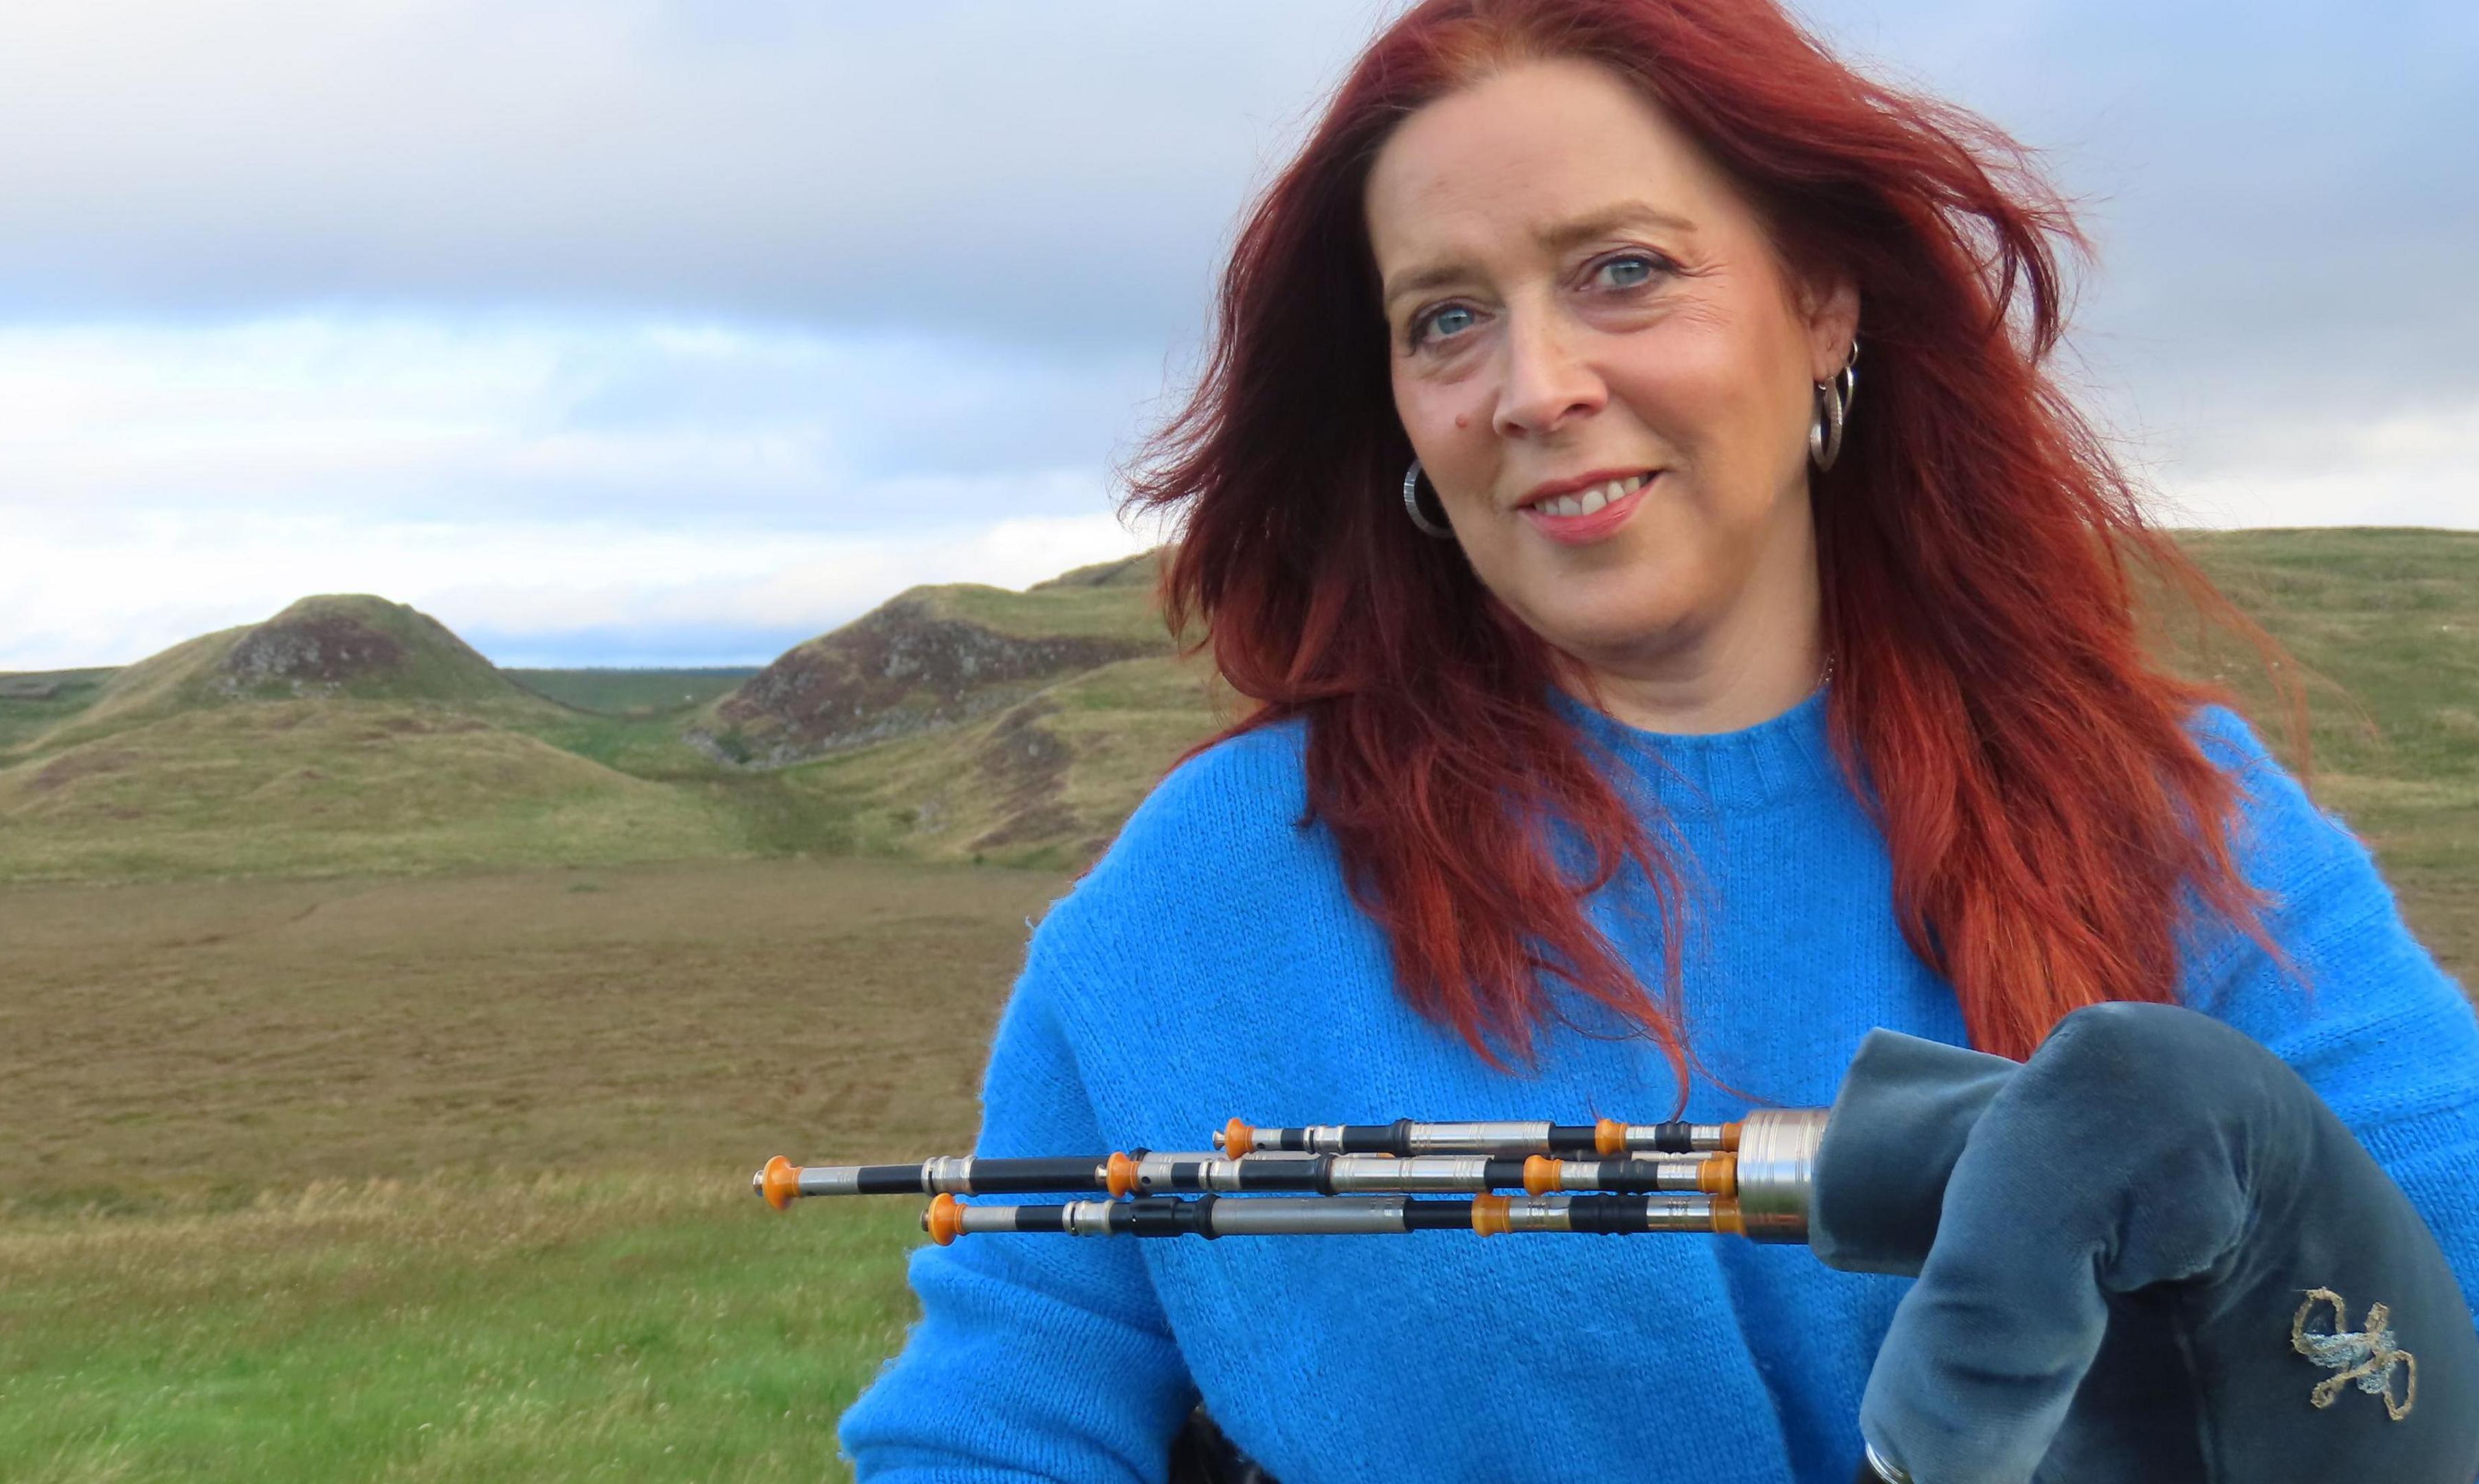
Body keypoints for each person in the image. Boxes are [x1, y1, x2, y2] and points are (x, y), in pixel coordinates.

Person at [838, 1, 2479, 1479]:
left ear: (1824, 302)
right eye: (1445, 319)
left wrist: (2303, 1256)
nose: (1535, 386)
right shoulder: (1204, 900)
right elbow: (991, 1433)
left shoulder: (2178, 827)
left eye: (1624, 271)